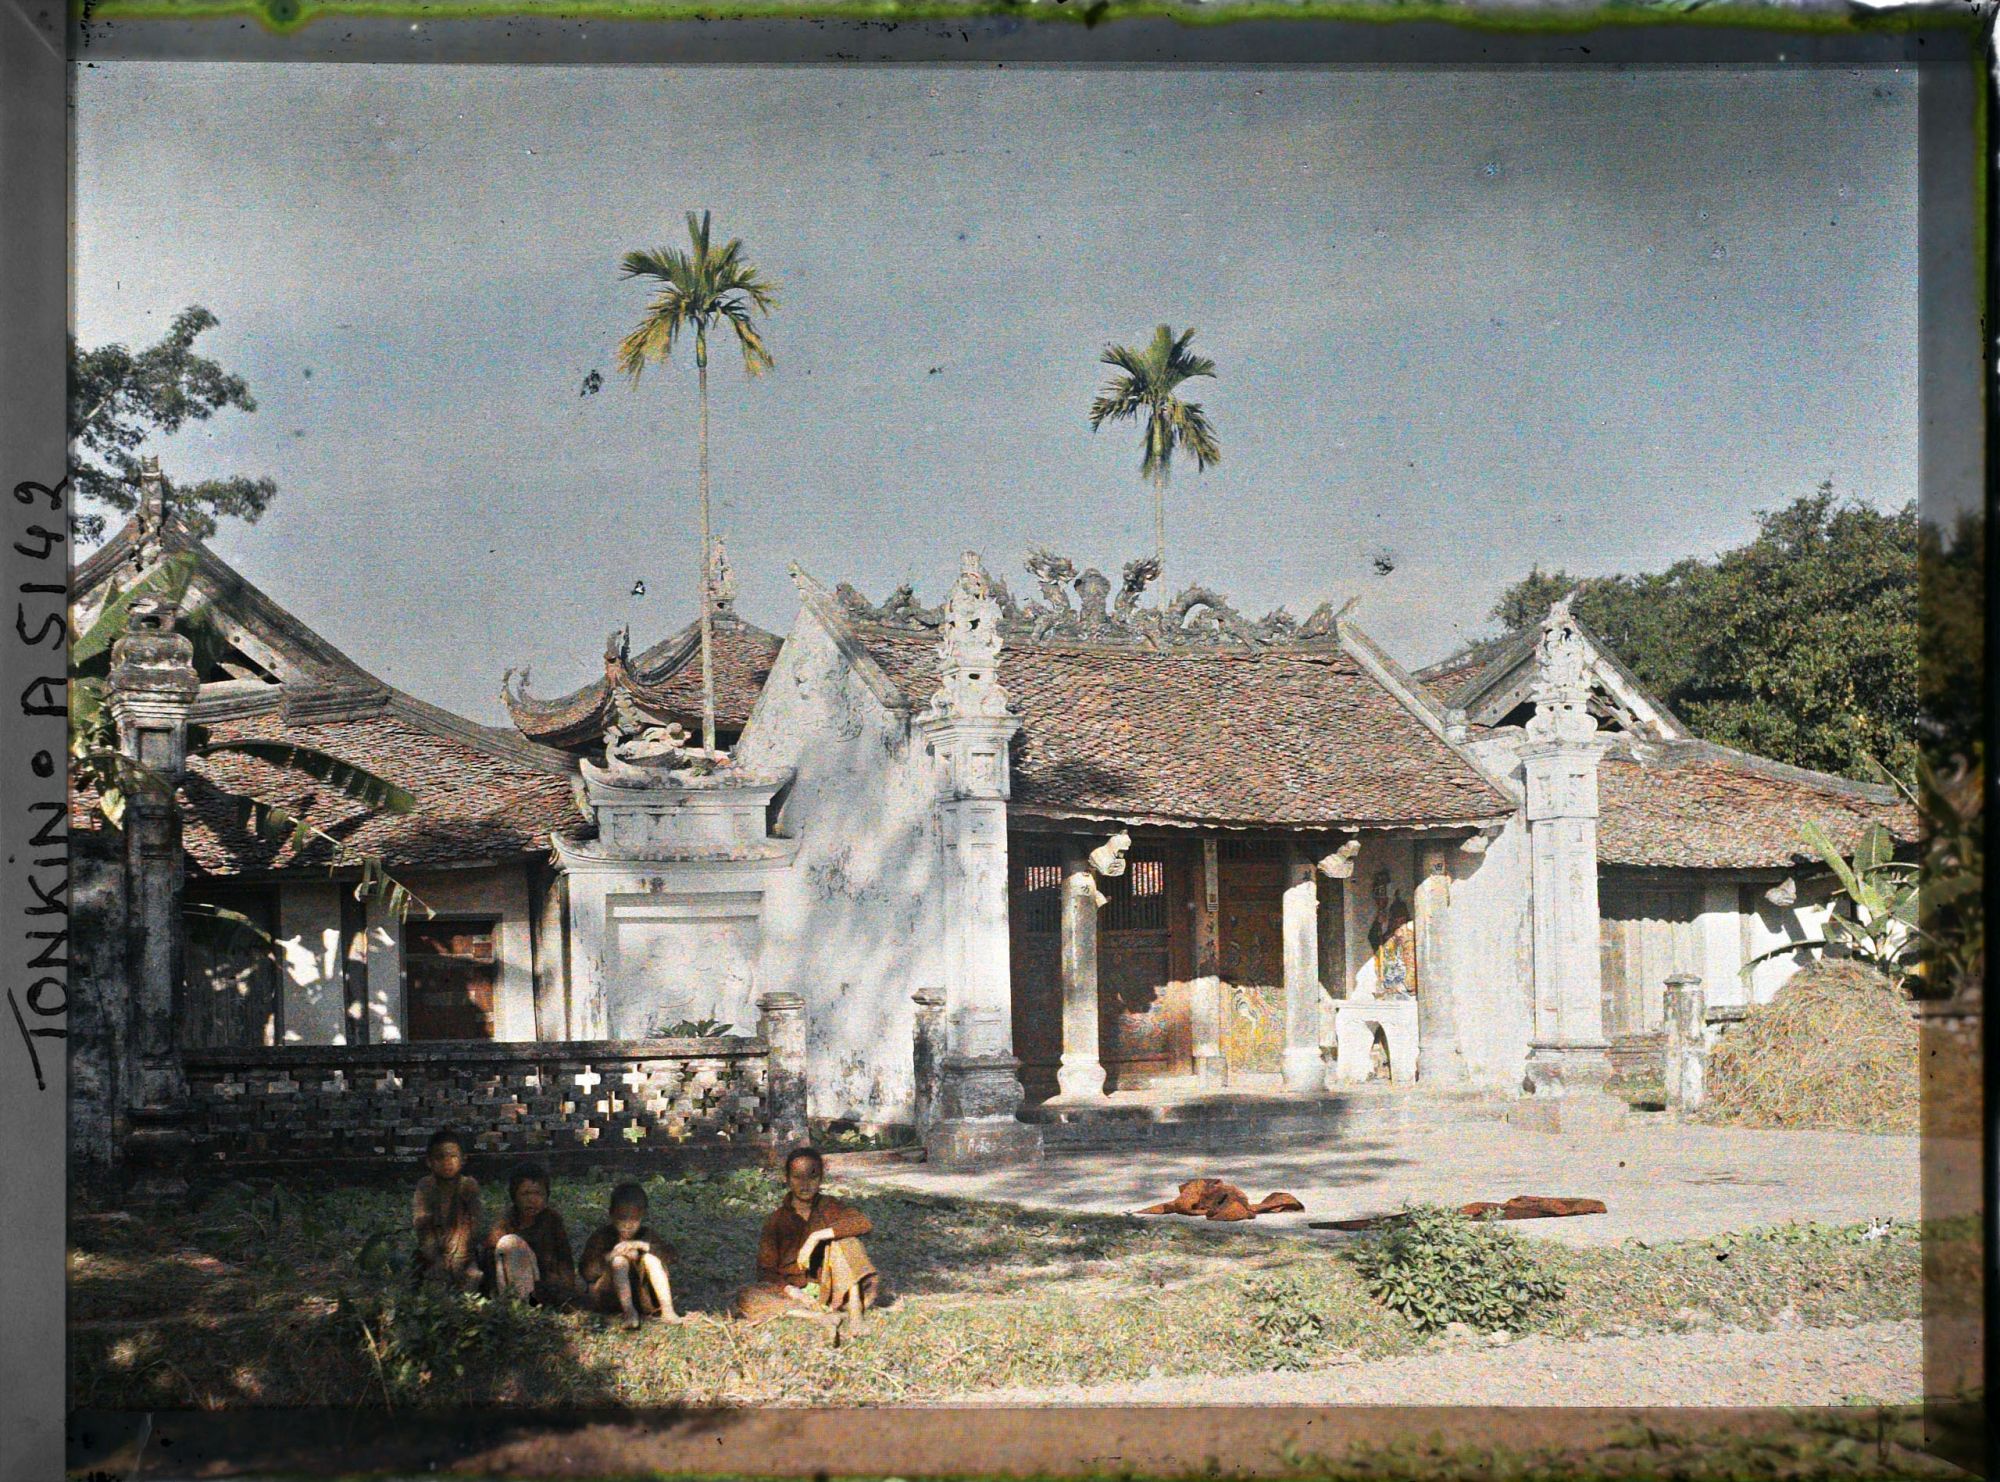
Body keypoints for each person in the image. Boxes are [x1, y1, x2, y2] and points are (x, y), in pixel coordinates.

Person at [735, 1147, 878, 1342]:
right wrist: (793, 1292)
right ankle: (820, 1317)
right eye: (797, 1177)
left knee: (846, 1241)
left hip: (835, 1285)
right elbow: (765, 1271)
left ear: (821, 1178)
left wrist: (816, 1237)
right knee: (746, 1296)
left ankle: (855, 1312)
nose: (805, 1184)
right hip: (797, 1294)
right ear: (787, 1179)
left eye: (812, 1177)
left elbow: (862, 1222)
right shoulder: (776, 1220)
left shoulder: (829, 1206)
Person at [577, 1181, 683, 1330]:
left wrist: (642, 1246)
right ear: (611, 1214)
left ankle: (667, 1310)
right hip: (611, 1297)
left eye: (634, 1219)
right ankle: (629, 1312)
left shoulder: (646, 1235)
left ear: (642, 1216)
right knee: (619, 1261)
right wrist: (610, 1256)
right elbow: (586, 1272)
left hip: (644, 1298)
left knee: (651, 1259)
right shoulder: (602, 1237)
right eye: (622, 1218)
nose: (627, 1225)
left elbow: (672, 1256)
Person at [483, 1162, 579, 1308]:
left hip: (544, 1285)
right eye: (525, 1194)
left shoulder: (552, 1220)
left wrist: (566, 1291)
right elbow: (491, 1261)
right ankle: (522, 1306)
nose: (532, 1200)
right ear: (514, 1196)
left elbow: (564, 1259)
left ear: (546, 1196)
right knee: (509, 1243)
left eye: (538, 1194)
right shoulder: (505, 1222)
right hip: (513, 1286)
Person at [411, 1128, 484, 1292]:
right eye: (440, 1157)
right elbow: (422, 1227)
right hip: (433, 1255)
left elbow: (474, 1226)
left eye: (453, 1156)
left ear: (463, 1159)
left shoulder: (469, 1186)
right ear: (429, 1162)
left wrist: (457, 1260)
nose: (447, 1162)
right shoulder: (425, 1187)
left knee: (472, 1280)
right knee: (432, 1284)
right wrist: (437, 1260)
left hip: (464, 1254)